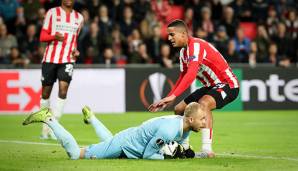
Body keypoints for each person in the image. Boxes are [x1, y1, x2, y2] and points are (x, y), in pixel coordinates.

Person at [148, 20, 239, 158]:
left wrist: (173, 95)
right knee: (179, 109)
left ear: (183, 34)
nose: (169, 38)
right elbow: (183, 76)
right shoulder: (183, 53)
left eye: (172, 34)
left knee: (204, 103)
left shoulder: (195, 46)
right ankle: (184, 147)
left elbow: (191, 75)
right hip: (210, 86)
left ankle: (207, 150)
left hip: (227, 84)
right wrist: (169, 97)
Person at [22, 102, 205, 160]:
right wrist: (166, 156)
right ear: (190, 119)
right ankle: (49, 118)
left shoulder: (183, 126)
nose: (205, 123)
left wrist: (196, 154)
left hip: (129, 140)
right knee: (76, 154)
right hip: (126, 144)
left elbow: (183, 146)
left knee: (110, 140)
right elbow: (148, 154)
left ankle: (92, 118)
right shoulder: (168, 130)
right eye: (202, 119)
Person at [39, 0, 84, 139]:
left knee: (63, 89)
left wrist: (75, 50)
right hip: (50, 58)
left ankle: (54, 126)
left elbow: (74, 39)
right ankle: (45, 126)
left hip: (68, 59)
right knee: (46, 93)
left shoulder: (79, 17)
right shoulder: (52, 13)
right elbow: (42, 36)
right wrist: (54, 36)